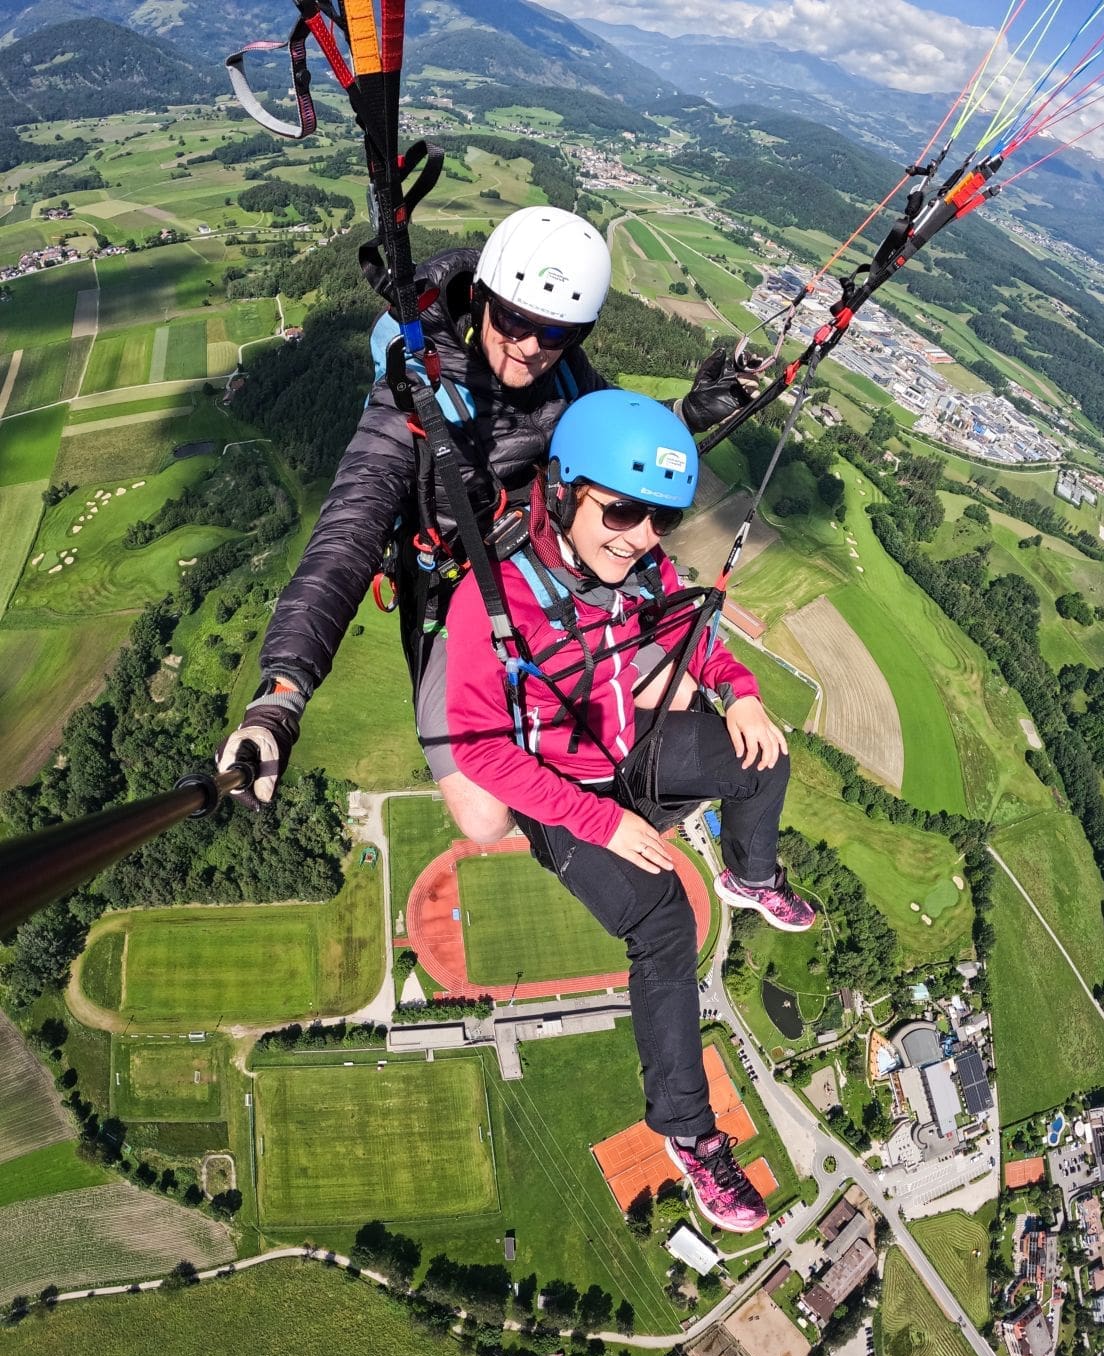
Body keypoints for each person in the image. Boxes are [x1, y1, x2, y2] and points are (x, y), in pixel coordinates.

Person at [217, 206, 759, 840]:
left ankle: (599, 794)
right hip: (456, 594)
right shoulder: (412, 397)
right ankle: (552, 794)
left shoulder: (565, 372)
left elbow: (607, 443)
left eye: (554, 333)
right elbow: (345, 538)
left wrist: (686, 414)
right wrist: (282, 695)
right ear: (481, 300)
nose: (530, 346)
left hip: (546, 565)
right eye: (514, 321)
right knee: (484, 821)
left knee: (677, 687)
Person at [443, 389, 815, 1233]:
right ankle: (687, 1130)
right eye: (620, 511)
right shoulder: (496, 602)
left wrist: (741, 693)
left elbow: (691, 636)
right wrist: (599, 821)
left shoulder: (635, 569)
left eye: (658, 519)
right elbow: (478, 749)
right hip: (562, 800)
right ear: (567, 491)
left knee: (764, 755)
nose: (641, 536)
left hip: (626, 749)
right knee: (663, 923)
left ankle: (750, 876)